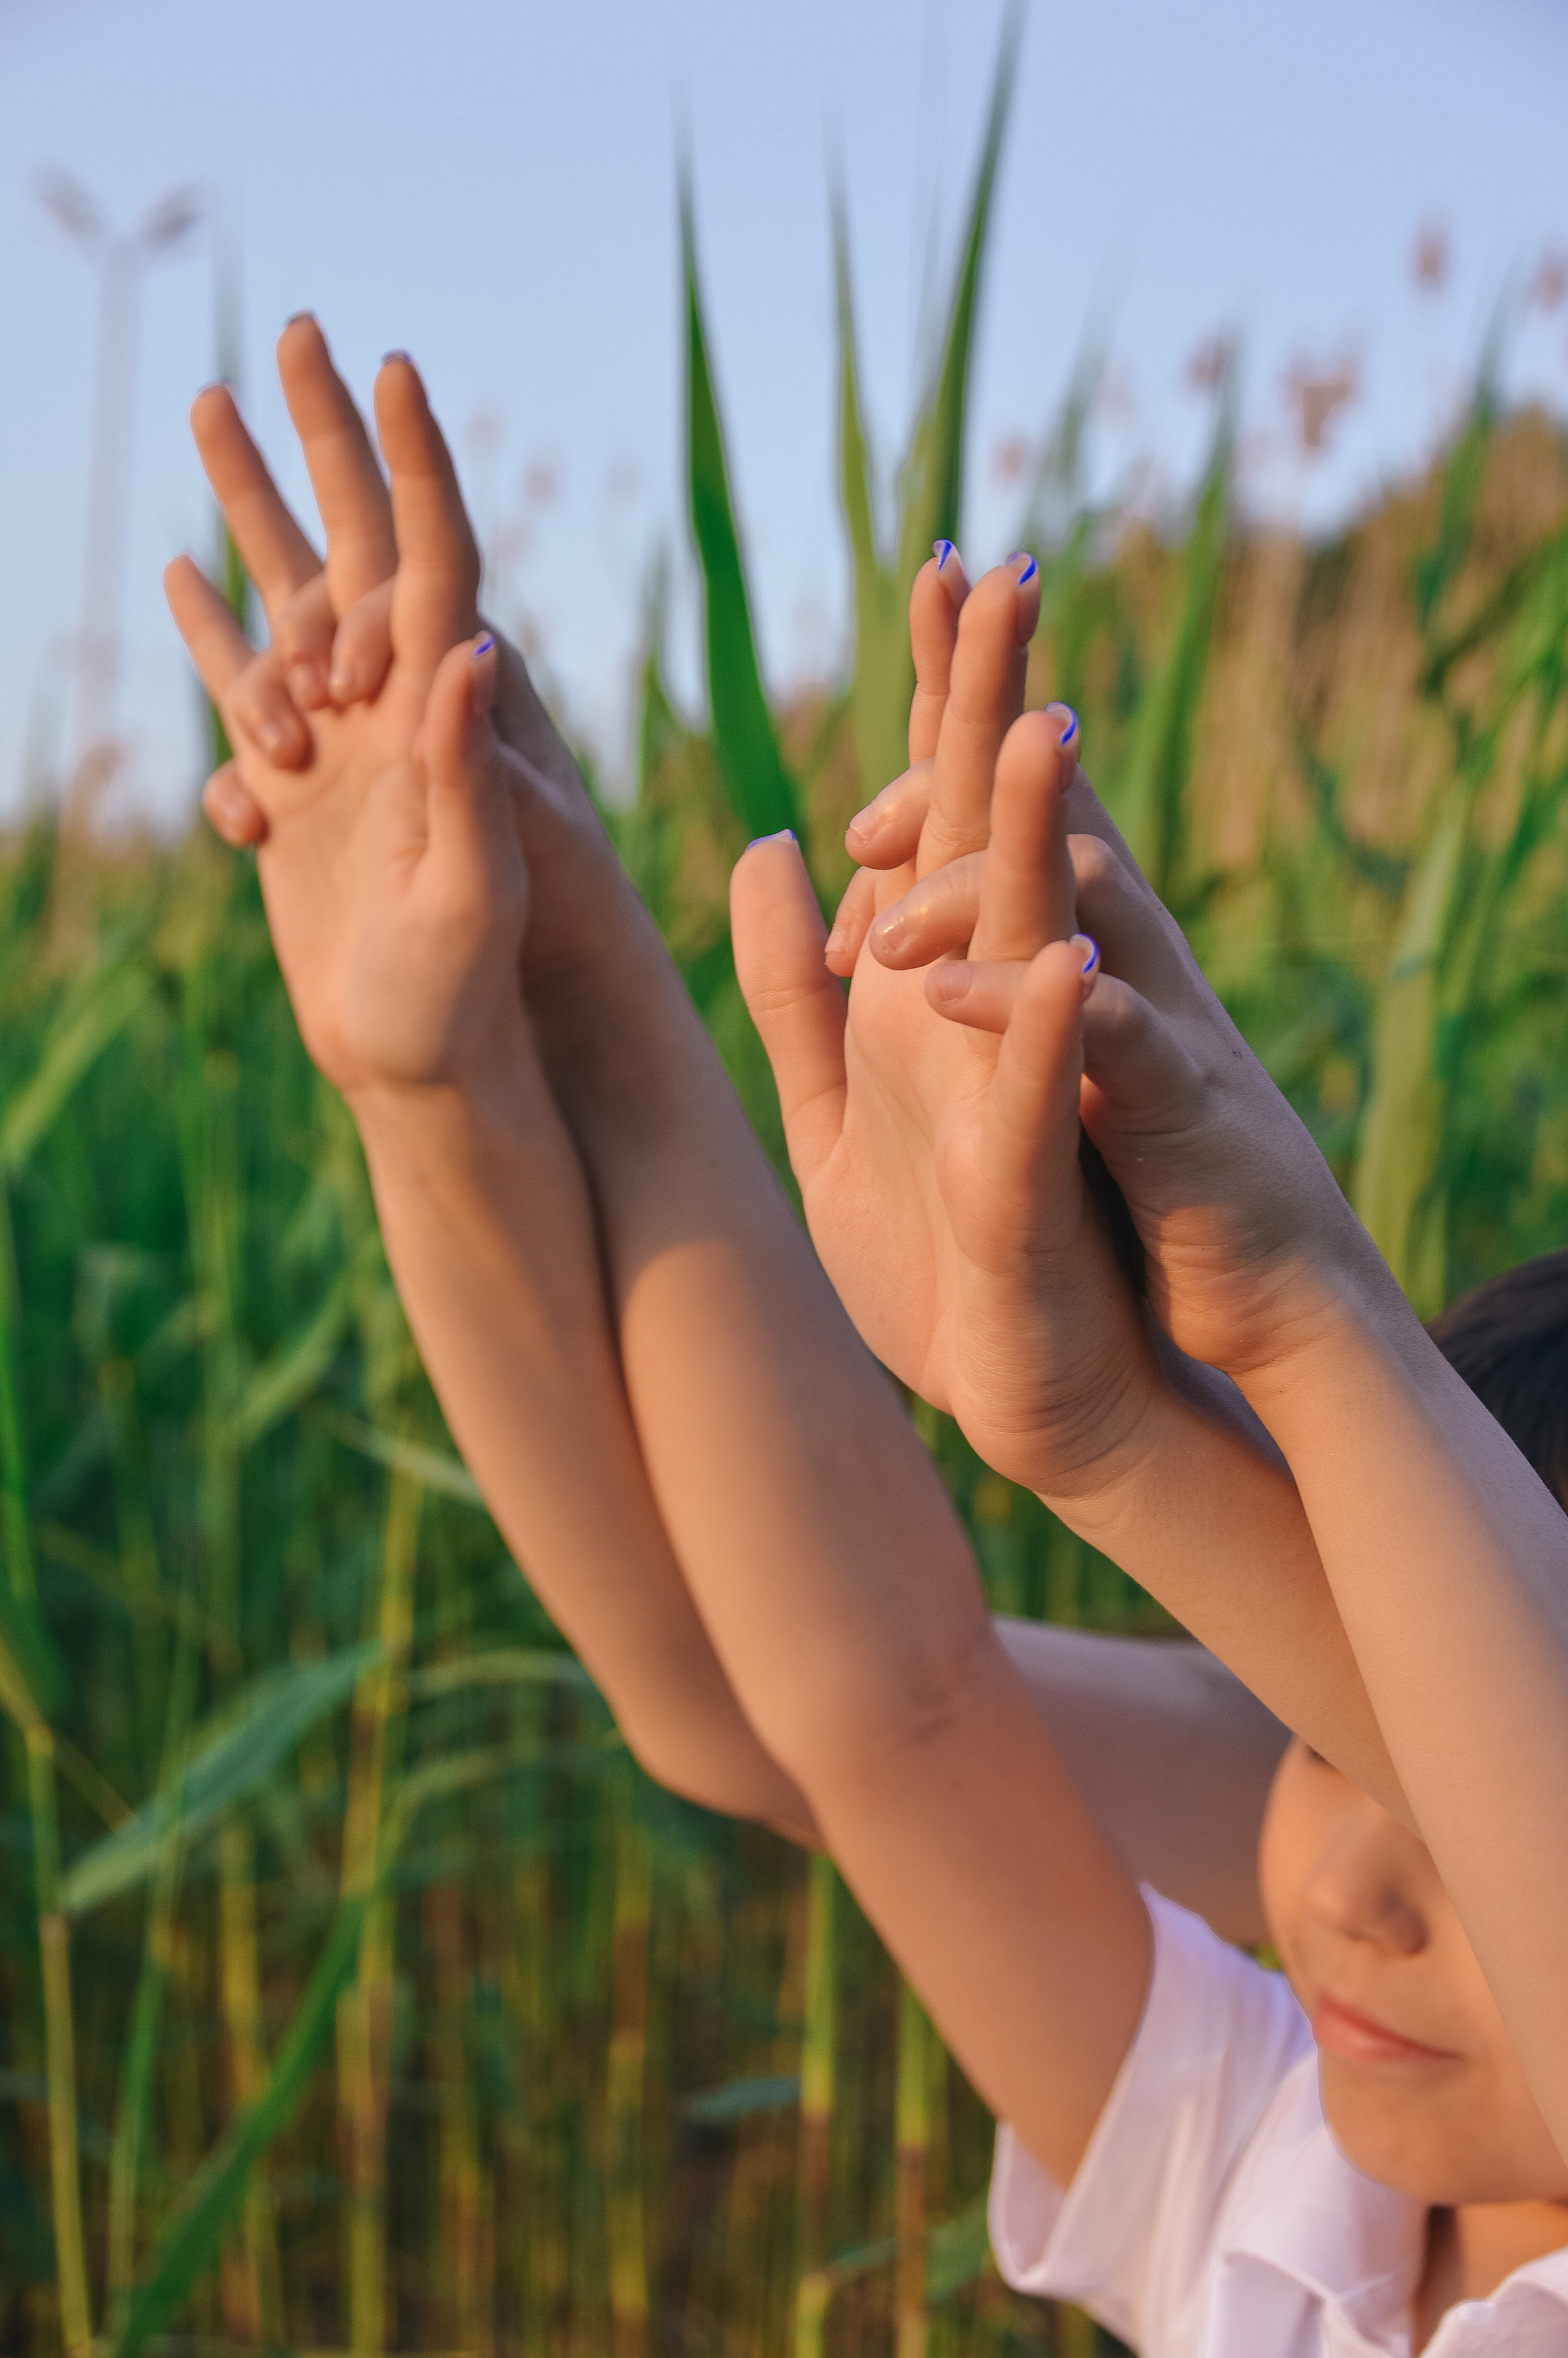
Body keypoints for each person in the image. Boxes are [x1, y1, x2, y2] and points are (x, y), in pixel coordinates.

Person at [170, 319, 1568, 2351]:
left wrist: (1287, 1313)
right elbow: (822, 1699)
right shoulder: (1274, 2195)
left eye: (1414, 1751)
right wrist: (487, 1029)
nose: (1357, 1882)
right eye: (1328, 1744)